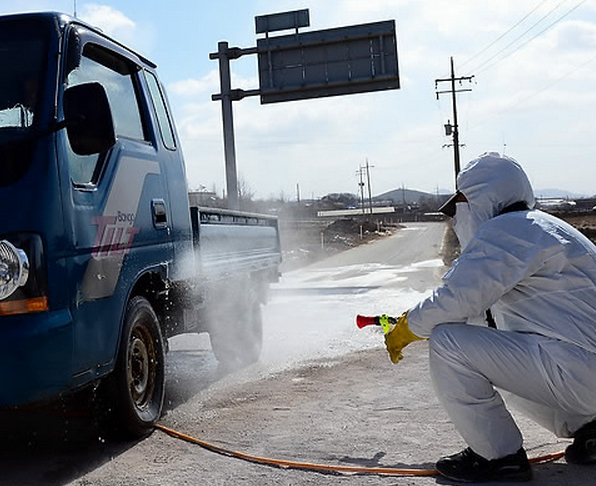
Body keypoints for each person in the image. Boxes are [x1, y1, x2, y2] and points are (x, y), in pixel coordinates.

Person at [384, 152, 596, 482]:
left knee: (447, 344)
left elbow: (456, 300)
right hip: (582, 369)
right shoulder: (549, 228)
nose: (454, 216)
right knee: (490, 350)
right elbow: (479, 314)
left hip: (578, 371)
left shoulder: (508, 230)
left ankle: (497, 456)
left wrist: (408, 328)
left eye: (459, 204)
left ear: (483, 198)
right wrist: (420, 319)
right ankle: (591, 430)